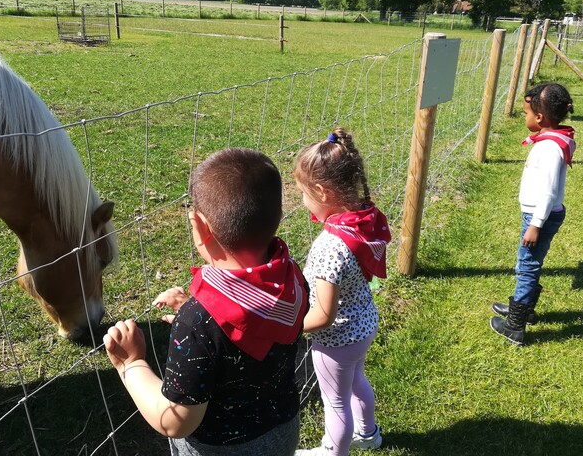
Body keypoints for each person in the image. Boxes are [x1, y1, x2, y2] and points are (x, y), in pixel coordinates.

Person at [103, 148, 308, 455]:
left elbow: (176, 421)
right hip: (281, 434)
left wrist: (131, 364)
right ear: (277, 217)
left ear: (199, 227)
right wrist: (203, 317)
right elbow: (252, 326)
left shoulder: (198, 323)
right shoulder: (291, 280)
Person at [293, 127, 391, 456]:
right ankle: (369, 434)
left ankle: (333, 451)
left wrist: (289, 329)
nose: (302, 202)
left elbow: (324, 314)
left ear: (321, 191)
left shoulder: (328, 246)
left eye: (303, 194)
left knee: (335, 402)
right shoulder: (362, 220)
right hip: (363, 324)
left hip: (337, 339)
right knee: (356, 383)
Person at [490, 82, 576, 346]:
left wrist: (535, 224)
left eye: (527, 113)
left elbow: (548, 193)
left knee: (526, 267)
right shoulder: (553, 139)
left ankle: (515, 326)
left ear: (539, 118)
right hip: (541, 216)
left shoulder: (549, 149)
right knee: (530, 264)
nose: (525, 118)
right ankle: (522, 308)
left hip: (540, 217)